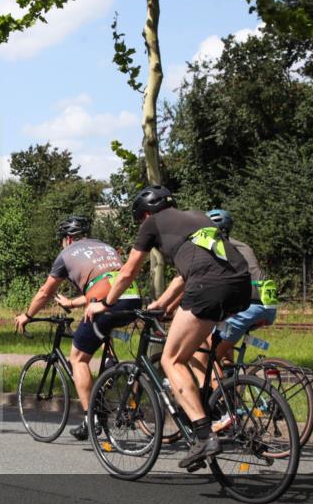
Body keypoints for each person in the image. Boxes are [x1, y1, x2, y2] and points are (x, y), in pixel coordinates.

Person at [84, 186, 251, 468]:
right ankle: (215, 406)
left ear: (146, 213)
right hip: (241, 285)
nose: (143, 223)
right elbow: (187, 275)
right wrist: (164, 304)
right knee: (198, 351)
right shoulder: (198, 217)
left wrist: (106, 303)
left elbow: (127, 272)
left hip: (208, 286)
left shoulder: (152, 223)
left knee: (171, 359)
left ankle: (203, 435)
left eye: (141, 218)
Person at [14, 215, 142, 440]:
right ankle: (111, 370)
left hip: (106, 304)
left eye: (62, 240)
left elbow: (45, 292)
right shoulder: (105, 247)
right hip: (132, 299)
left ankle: (91, 419)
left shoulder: (66, 254)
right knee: (101, 335)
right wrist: (72, 303)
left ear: (68, 239)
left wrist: (27, 315)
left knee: (78, 358)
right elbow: (106, 283)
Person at [205, 209, 279, 431]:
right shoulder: (243, 245)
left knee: (208, 355)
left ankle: (226, 412)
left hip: (247, 307)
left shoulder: (218, 247)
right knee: (225, 348)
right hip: (267, 305)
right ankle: (233, 391)